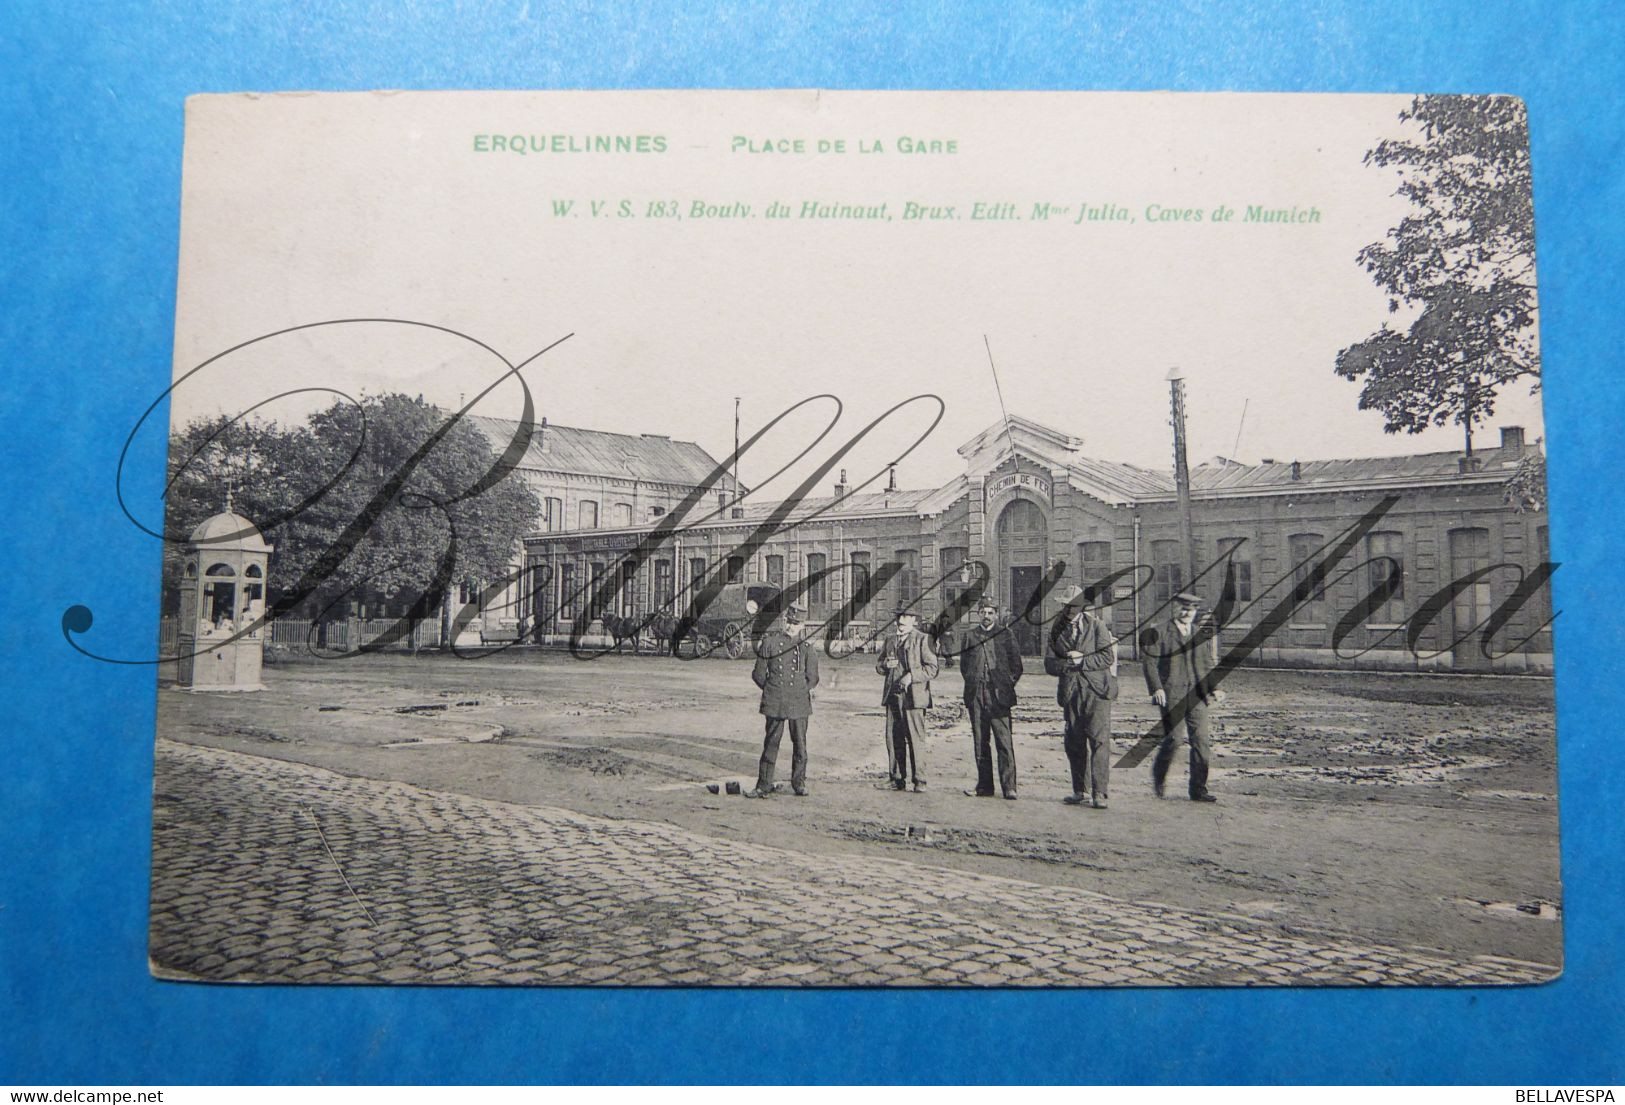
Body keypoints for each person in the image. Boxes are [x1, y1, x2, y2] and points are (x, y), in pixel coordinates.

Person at [1141, 590, 1225, 803]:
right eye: (1184, 608)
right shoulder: (1160, 632)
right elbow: (1150, 663)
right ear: (1175, 608)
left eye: (1192, 609)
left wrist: (1214, 688)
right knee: (1174, 739)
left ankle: (1198, 789)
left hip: (1196, 694)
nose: (1188, 613)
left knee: (1201, 741)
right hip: (1171, 694)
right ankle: (1159, 775)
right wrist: (1156, 689)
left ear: (1196, 612)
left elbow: (1206, 664)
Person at [1045, 585, 1117, 809]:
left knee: (1099, 741)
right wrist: (1067, 663)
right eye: (1066, 605)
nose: (1069, 610)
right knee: (1074, 742)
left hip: (1097, 692)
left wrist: (1083, 661)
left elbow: (1107, 657)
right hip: (1071, 693)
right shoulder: (1056, 629)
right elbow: (1048, 664)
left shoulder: (1097, 626)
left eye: (1074, 605)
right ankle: (1080, 790)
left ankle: (1100, 793)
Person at [747, 600, 819, 798]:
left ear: (803, 625)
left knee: (800, 745)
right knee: (771, 743)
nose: (791, 626)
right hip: (775, 700)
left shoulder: (807, 648)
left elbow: (813, 678)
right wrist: (772, 688)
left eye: (795, 623)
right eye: (789, 621)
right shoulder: (769, 643)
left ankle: (799, 783)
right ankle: (764, 784)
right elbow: (758, 674)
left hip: (798, 701)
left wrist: (797, 690)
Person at [958, 595, 1024, 800]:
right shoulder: (969, 636)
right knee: (980, 741)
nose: (986, 616)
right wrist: (974, 681)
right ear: (978, 614)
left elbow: (1017, 666)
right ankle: (985, 786)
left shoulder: (1006, 634)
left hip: (999, 696)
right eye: (983, 612)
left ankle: (1009, 787)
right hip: (976, 694)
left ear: (996, 614)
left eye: (990, 612)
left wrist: (1005, 684)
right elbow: (964, 666)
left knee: (1004, 742)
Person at [876, 602, 939, 792]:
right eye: (899, 617)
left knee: (915, 738)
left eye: (906, 617)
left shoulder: (922, 639)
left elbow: (932, 668)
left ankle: (920, 780)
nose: (901, 621)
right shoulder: (890, 640)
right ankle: (896, 778)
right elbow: (879, 666)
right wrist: (886, 665)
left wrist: (912, 676)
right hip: (893, 696)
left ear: (914, 620)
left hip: (913, 697)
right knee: (893, 738)